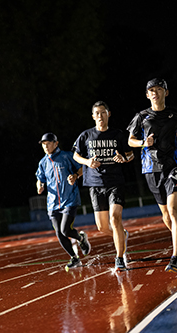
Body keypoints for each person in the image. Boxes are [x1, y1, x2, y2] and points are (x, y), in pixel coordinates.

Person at [127, 78, 177, 274]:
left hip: (173, 167)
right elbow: (130, 140)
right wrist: (143, 144)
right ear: (147, 95)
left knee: (174, 211)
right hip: (150, 169)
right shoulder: (141, 116)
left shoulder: (176, 114)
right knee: (165, 215)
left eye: (158, 89)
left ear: (166, 92)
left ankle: (175, 258)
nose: (155, 92)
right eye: (151, 90)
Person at [72, 101, 134, 271]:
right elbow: (76, 156)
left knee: (115, 218)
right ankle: (123, 234)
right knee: (102, 227)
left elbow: (130, 155)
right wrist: (87, 161)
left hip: (115, 183)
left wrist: (123, 158)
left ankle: (120, 258)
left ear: (109, 114)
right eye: (97, 113)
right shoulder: (86, 136)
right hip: (95, 184)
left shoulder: (118, 135)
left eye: (103, 112)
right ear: (93, 116)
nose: (100, 116)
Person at [35, 132, 91, 271]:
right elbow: (39, 179)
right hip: (52, 204)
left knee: (65, 229)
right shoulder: (43, 163)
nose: (46, 146)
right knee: (59, 234)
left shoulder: (67, 156)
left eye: (48, 143)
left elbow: (82, 167)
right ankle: (74, 258)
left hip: (69, 199)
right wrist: (40, 186)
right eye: (43, 144)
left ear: (56, 143)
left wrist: (75, 176)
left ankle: (81, 238)